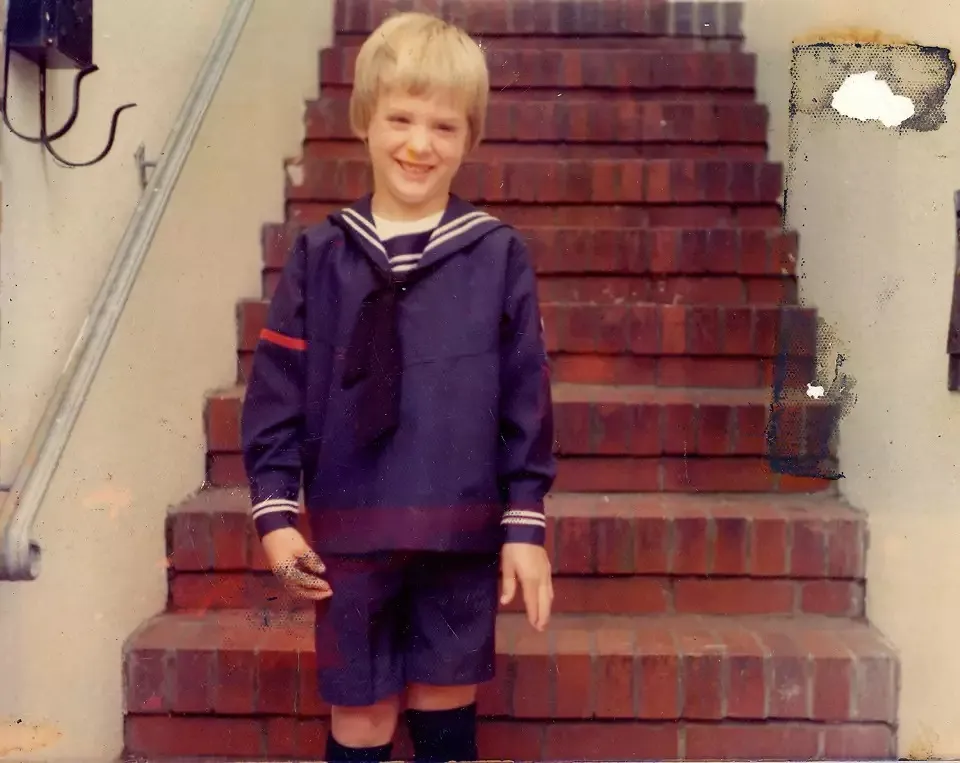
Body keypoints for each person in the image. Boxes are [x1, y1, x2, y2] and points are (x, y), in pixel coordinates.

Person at [240, 10, 556, 763]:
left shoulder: (496, 255)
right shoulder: (321, 257)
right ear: (365, 121)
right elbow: (277, 393)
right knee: (361, 719)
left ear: (469, 139)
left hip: (458, 528)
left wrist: (525, 526)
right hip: (351, 532)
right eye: (402, 119)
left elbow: (524, 399)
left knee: (445, 716)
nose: (420, 144)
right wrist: (276, 516)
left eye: (444, 127)